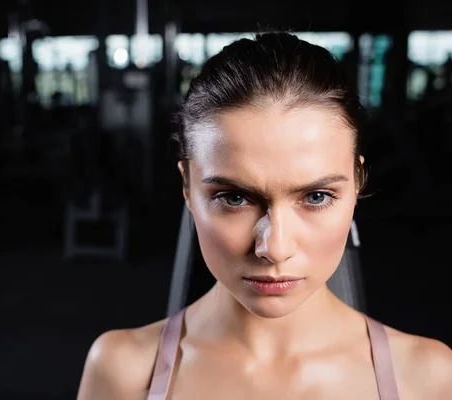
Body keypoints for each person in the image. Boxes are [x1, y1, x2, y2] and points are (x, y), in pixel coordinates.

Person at [76, 32, 452, 399]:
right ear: (187, 188)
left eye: (317, 196)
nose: (274, 248)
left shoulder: (427, 377)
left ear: (357, 183)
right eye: (234, 198)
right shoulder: (122, 372)